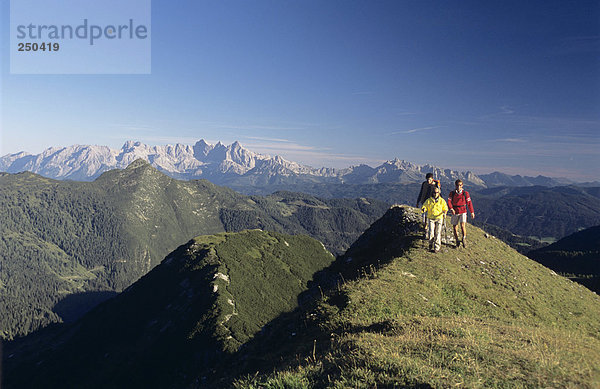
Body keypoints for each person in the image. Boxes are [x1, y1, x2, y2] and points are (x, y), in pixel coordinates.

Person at [448, 179, 475, 248]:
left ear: (462, 185)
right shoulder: (452, 193)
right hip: (455, 211)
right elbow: (449, 202)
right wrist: (451, 209)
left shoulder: (465, 193)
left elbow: (469, 203)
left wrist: (472, 212)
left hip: (463, 211)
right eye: (457, 185)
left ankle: (464, 239)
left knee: (463, 225)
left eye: (460, 185)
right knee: (454, 227)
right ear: (455, 185)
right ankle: (457, 240)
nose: (459, 186)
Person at [421, 186, 448, 253]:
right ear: (432, 193)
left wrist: (444, 212)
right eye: (434, 192)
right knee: (431, 232)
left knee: (438, 232)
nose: (435, 194)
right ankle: (430, 244)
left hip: (439, 218)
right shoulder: (429, 200)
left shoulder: (442, 201)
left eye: (437, 192)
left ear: (439, 193)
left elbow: (445, 208)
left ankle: (437, 247)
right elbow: (424, 206)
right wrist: (424, 208)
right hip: (431, 218)